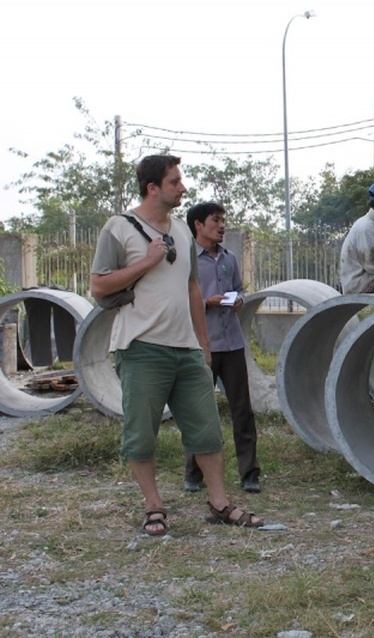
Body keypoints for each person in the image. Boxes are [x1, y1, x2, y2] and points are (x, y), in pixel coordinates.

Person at [90, 155, 263, 535]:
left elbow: (191, 288)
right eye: (175, 182)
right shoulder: (119, 228)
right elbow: (99, 286)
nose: (183, 188)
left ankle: (219, 504)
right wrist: (147, 261)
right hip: (140, 347)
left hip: (186, 348)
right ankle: (154, 507)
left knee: (206, 430)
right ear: (153, 188)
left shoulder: (183, 233)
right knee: (141, 432)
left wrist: (203, 344)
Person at [183, 202, 261, 494]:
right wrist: (207, 303)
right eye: (215, 220)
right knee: (199, 411)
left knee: (242, 410)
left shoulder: (229, 258)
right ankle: (193, 473)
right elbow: (180, 300)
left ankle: (250, 473)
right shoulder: (188, 261)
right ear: (198, 225)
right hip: (202, 345)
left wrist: (237, 299)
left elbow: (239, 288)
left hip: (232, 344)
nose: (222, 226)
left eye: (223, 220)